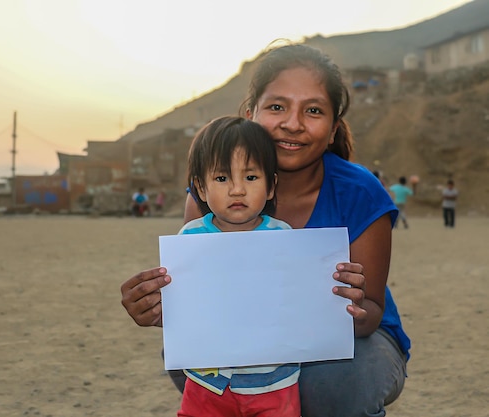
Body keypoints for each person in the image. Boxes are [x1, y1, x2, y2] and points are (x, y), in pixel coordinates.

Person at [121, 43, 410, 417]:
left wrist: (349, 308)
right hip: (251, 338)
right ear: (250, 113)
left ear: (333, 127)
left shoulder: (361, 192)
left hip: (360, 343)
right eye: (277, 107)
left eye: (314, 110)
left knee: (336, 381)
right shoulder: (210, 194)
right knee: (190, 360)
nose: (293, 123)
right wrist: (158, 306)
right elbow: (202, 295)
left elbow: (371, 312)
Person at [175, 115, 299, 417]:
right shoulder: (189, 238)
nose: (237, 190)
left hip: (274, 382)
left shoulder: (284, 237)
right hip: (206, 382)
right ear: (200, 189)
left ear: (271, 187)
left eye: (251, 177)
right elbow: (181, 304)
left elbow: (298, 301)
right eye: (221, 178)